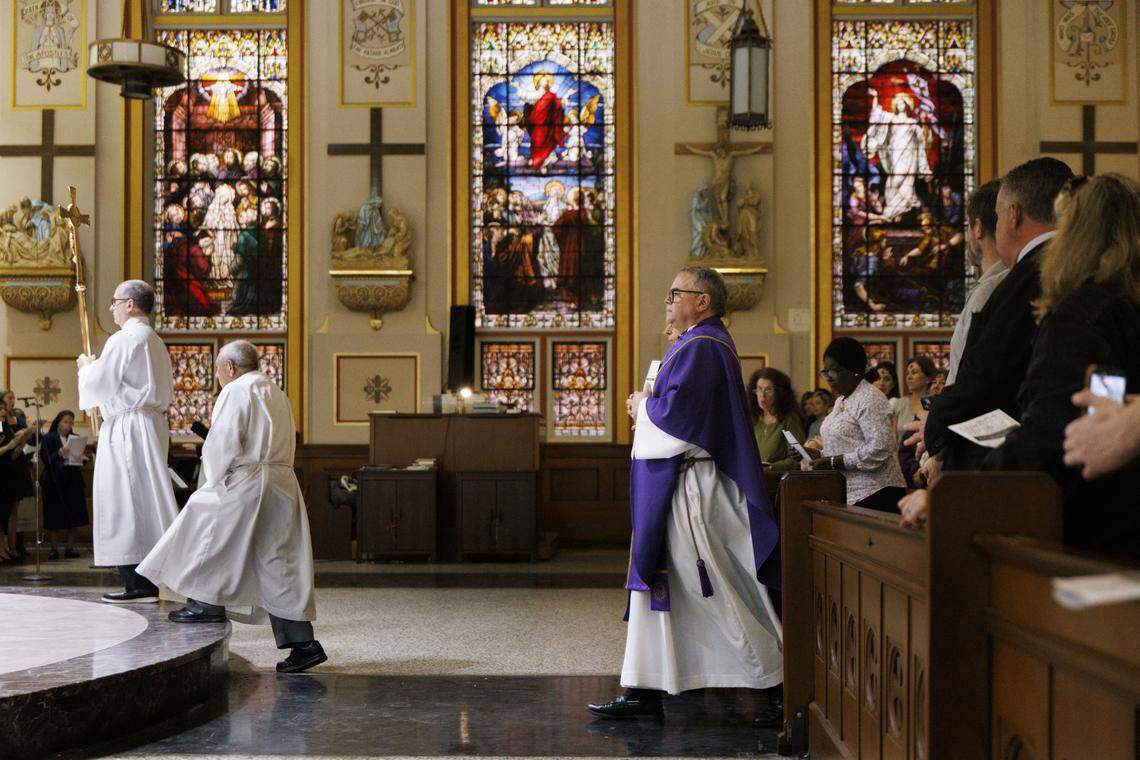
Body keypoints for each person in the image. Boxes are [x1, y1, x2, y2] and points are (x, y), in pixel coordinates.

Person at [587, 267, 782, 722]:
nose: (668, 301)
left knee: (718, 588)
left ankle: (774, 682)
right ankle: (644, 689)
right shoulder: (692, 346)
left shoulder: (705, 348)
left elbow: (680, 419)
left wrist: (642, 406)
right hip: (676, 486)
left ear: (703, 301)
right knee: (663, 588)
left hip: (695, 488)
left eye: (675, 293)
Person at [138, 341, 327, 674]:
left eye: (217, 371)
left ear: (228, 367)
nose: (217, 378)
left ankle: (204, 603)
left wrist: (211, 477)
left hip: (249, 479)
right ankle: (304, 644)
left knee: (204, 526)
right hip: (281, 483)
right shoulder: (275, 391)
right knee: (277, 563)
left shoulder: (237, 390)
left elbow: (223, 441)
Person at [918, 158, 1074, 471]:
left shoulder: (1025, 278)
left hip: (1024, 466)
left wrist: (936, 423)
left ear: (1013, 214)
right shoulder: (1076, 266)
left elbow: (988, 374)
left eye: (999, 216)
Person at [77, 280, 179, 603]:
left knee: (126, 501)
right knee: (143, 501)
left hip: (128, 429)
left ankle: (137, 583)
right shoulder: (155, 341)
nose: (112, 308)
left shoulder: (125, 338)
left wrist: (85, 368)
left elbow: (101, 383)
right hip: (149, 426)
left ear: (132, 304)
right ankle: (144, 580)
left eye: (115, 301)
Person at [800, 338, 906, 511]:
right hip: (848, 494)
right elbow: (843, 448)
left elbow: (880, 448)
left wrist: (834, 461)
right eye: (825, 372)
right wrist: (815, 455)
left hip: (877, 494)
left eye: (833, 371)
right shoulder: (841, 400)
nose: (828, 378)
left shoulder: (870, 398)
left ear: (853, 370)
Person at [947, 180, 1007, 385]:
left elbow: (967, 378)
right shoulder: (1014, 281)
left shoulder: (989, 291)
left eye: (968, 227)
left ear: (978, 228)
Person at [39, 410, 89, 559]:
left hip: (72, 481)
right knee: (54, 516)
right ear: (58, 422)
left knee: (73, 515)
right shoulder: (49, 438)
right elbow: (46, 459)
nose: (68, 425)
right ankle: (53, 549)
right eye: (65, 422)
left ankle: (69, 548)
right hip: (54, 482)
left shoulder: (75, 439)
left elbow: (81, 459)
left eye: (71, 422)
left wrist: (82, 457)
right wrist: (59, 453)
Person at [748, 368, 806, 472]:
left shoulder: (789, 419)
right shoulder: (753, 419)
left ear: (779, 392)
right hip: (754, 478)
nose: (762, 395)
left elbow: (798, 457)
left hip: (778, 480)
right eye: (759, 389)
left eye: (768, 390)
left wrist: (772, 467)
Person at [0, 397, 35, 564]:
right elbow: (6, 449)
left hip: (9, 472)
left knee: (7, 513)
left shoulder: (5, 427)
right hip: (2, 473)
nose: (3, 413)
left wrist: (21, 442)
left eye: (3, 410)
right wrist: (9, 445)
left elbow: (12, 454)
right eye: (0, 409)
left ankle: (8, 547)